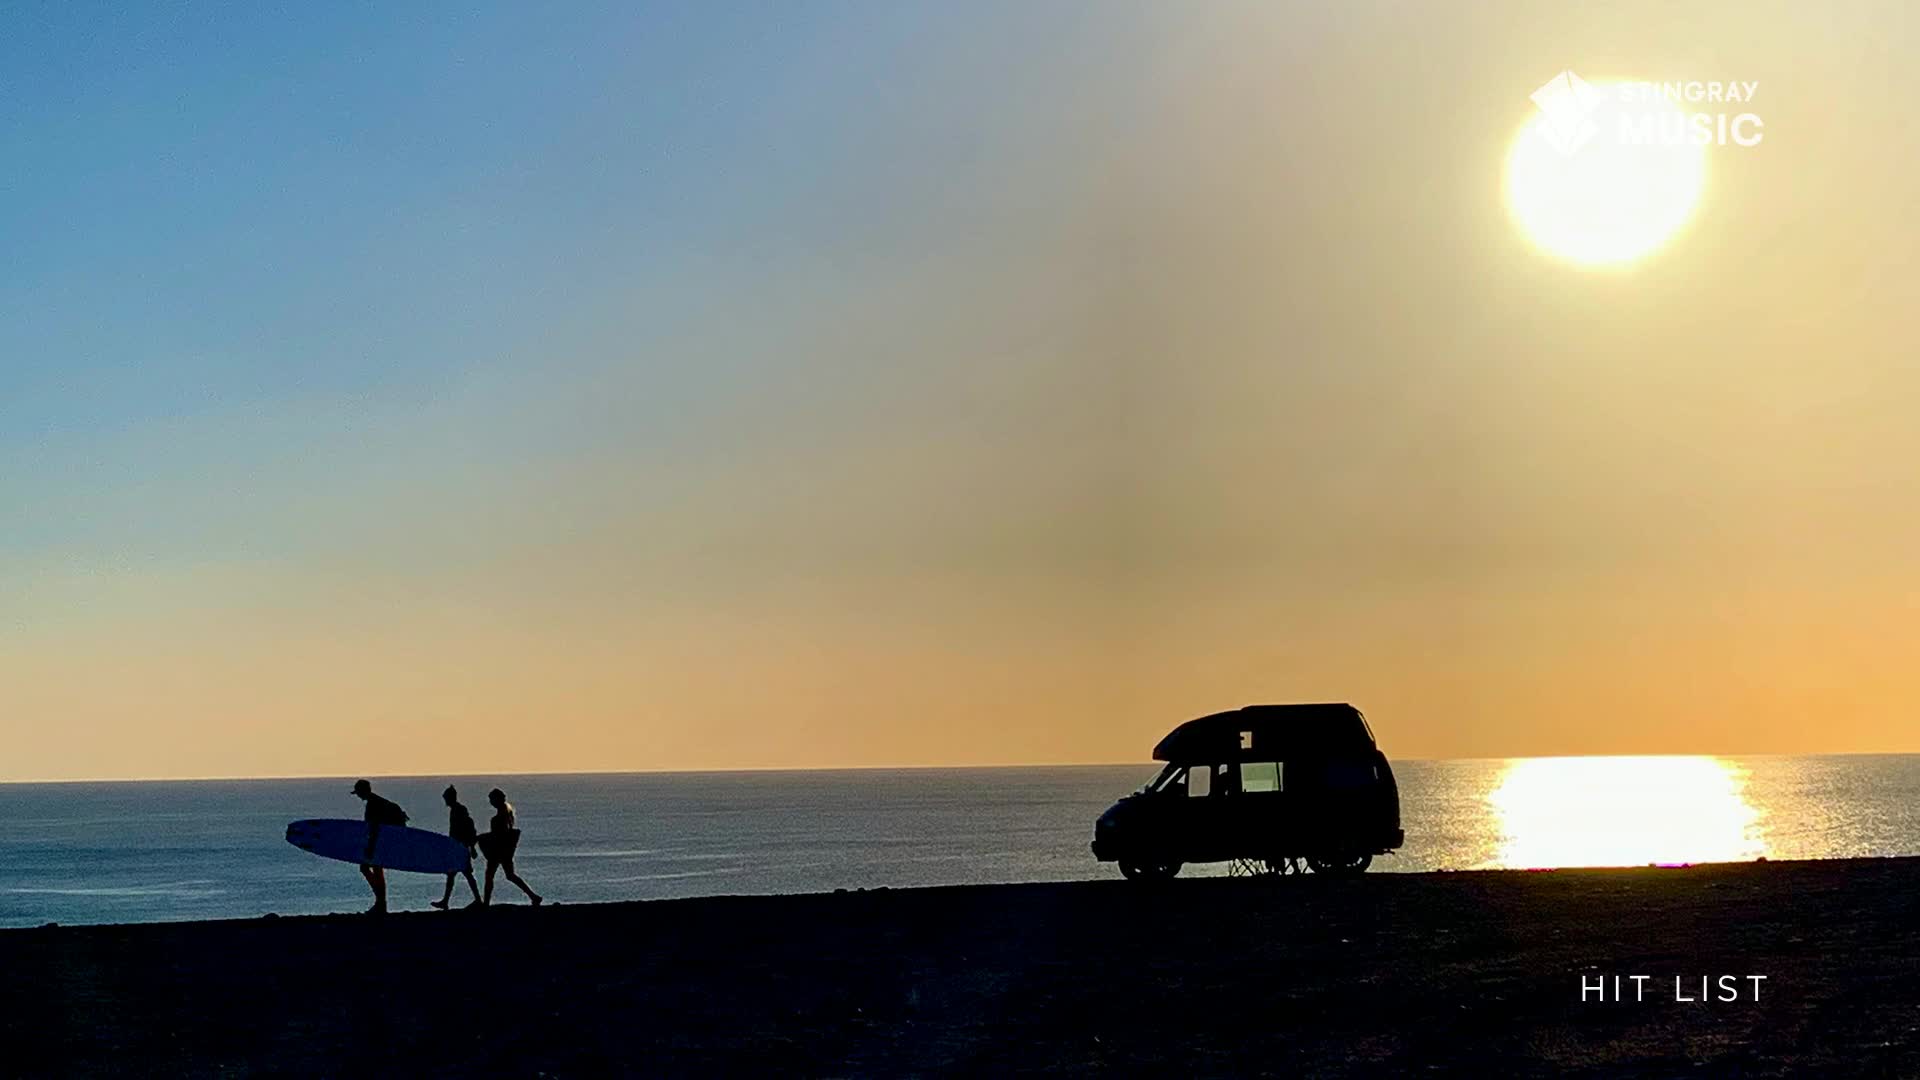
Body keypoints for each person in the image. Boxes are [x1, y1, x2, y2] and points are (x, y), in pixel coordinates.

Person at [350, 779, 408, 915]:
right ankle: (380, 902)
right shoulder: (378, 801)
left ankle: (381, 903)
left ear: (363, 791)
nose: (358, 796)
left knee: (368, 868)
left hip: (381, 842)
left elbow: (374, 828)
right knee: (373, 869)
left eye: (358, 792)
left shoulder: (373, 804)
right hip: (384, 841)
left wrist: (370, 847)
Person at [478, 787, 544, 907]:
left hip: (498, 851)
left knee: (490, 876)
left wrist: (481, 838)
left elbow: (497, 835)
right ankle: (533, 896)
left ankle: (486, 903)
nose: (490, 802)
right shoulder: (506, 814)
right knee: (510, 875)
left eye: (491, 799)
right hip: (505, 850)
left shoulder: (498, 818)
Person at [431, 785, 482, 910]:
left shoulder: (458, 810)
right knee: (453, 874)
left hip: (460, 847)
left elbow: (466, 828)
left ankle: (477, 899)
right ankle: (446, 901)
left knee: (465, 874)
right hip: (457, 846)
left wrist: (471, 847)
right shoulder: (456, 810)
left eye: (446, 798)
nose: (445, 801)